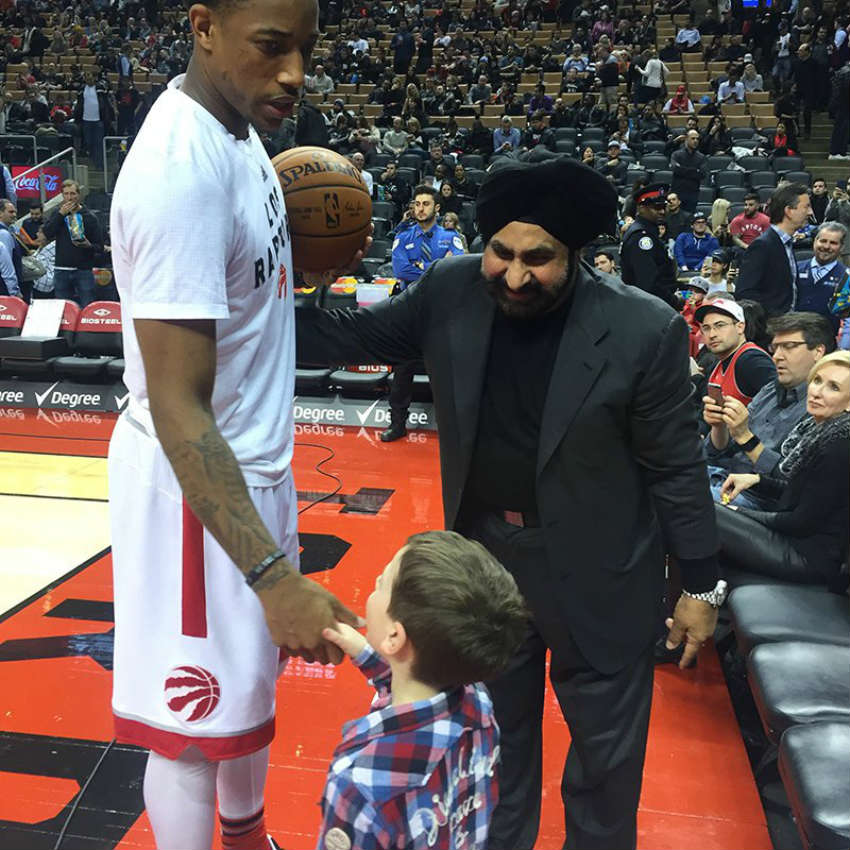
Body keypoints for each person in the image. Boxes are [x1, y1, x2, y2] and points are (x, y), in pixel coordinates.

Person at [296, 158, 723, 850]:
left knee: (605, 768)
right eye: (502, 253)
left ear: (576, 254)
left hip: (603, 569)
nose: (516, 276)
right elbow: (346, 337)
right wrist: (295, 279)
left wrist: (700, 583)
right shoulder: (452, 289)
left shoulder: (645, 329)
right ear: (482, 240)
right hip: (486, 563)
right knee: (498, 750)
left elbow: (677, 467)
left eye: (538, 259)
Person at [106, 0, 365, 847]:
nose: (295, 71)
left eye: (306, 49)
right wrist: (271, 576)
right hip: (193, 489)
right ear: (204, 26)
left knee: (247, 692)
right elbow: (179, 405)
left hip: (254, 464)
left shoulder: (245, 132)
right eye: (271, 46)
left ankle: (249, 834)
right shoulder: (179, 170)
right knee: (190, 722)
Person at [316, 531, 528, 847]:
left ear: (395, 637)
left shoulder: (360, 781)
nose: (375, 583)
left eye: (381, 584)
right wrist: (364, 651)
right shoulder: (478, 703)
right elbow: (416, 683)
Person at [716, 351, 850, 584]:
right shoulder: (819, 431)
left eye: (833, 387)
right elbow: (801, 492)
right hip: (797, 542)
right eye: (817, 380)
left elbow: (801, 522)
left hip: (809, 558)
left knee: (701, 511)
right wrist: (757, 480)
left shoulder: (839, 447)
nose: (817, 391)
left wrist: (739, 513)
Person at [703, 312, 834, 508]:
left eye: (788, 347)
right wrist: (719, 426)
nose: (777, 356)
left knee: (676, 497)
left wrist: (745, 437)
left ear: (818, 351)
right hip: (723, 476)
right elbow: (717, 452)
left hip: (758, 499)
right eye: (775, 347)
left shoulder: (825, 405)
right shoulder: (771, 390)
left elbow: (793, 479)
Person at [387, 184, 465, 442]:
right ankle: (397, 423)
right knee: (402, 369)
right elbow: (401, 271)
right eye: (417, 204)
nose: (420, 209)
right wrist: (435, 268)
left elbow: (457, 270)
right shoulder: (403, 237)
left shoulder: (450, 237)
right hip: (410, 310)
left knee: (446, 371)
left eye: (426, 204)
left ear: (437, 208)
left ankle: (454, 428)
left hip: (441, 311)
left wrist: (420, 267)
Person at [736, 183, 813, 316]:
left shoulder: (787, 243)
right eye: (806, 207)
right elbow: (745, 293)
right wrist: (776, 318)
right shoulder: (762, 245)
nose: (810, 212)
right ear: (789, 211)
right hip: (772, 330)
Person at [696, 298, 777, 406]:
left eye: (720, 325)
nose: (712, 334)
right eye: (706, 328)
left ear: (740, 327)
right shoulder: (720, 363)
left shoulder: (751, 360)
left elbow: (782, 406)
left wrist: (745, 421)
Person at [41, 180, 103, 308]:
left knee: (87, 306)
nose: (70, 197)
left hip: (83, 270)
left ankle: (87, 328)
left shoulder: (90, 217)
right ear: (62, 196)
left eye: (73, 194)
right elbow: (47, 233)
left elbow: (100, 247)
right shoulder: (57, 214)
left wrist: (88, 246)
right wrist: (60, 215)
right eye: (66, 194)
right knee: (62, 309)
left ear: (79, 195)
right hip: (61, 269)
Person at [620, 183, 679, 306]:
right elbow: (648, 283)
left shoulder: (650, 231)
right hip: (648, 307)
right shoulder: (641, 237)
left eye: (663, 207)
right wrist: (675, 301)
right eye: (657, 208)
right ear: (641, 208)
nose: (662, 211)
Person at [795, 222, 849, 332]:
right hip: (794, 332)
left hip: (827, 338)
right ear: (815, 241)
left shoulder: (846, 277)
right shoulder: (795, 268)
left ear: (842, 247)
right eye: (823, 241)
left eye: (833, 243)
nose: (826, 246)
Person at [670, 129, 705, 212]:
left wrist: (682, 169)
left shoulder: (701, 157)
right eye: (693, 138)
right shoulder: (676, 154)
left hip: (692, 194)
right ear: (686, 139)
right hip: (678, 193)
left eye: (697, 139)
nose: (695, 141)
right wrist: (694, 171)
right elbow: (675, 169)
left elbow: (702, 174)